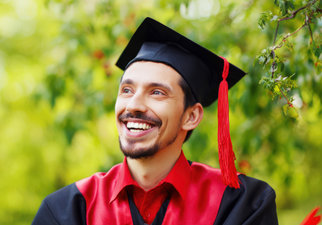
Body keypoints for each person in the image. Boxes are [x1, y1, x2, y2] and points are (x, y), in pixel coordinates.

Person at [32, 17, 279, 225]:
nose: (134, 105)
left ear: (191, 116)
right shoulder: (68, 210)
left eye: (157, 92)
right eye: (127, 90)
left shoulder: (241, 205)